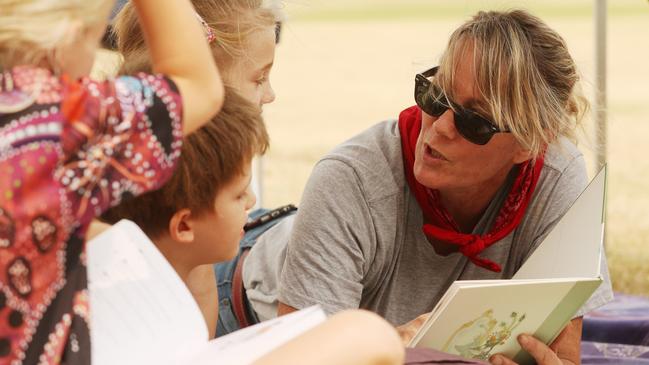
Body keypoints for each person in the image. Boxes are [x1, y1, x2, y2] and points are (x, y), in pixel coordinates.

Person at [239, 9, 614, 365]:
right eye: (436, 96)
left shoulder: (557, 176)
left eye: (475, 122)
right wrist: (388, 349)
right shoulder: (352, 178)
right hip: (245, 308)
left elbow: (562, 355)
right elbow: (307, 357)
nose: (439, 127)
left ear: (530, 144)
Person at [0, 0, 224, 363]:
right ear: (67, 35)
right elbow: (198, 86)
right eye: (91, 41)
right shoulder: (57, 117)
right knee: (351, 333)